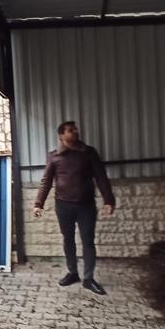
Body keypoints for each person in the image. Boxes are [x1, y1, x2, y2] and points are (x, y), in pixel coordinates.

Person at [33, 121, 116, 295]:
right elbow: (46, 180)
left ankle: (88, 278)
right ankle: (72, 273)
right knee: (68, 239)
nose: (76, 132)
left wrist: (109, 200)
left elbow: (101, 177)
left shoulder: (88, 153)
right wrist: (38, 203)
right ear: (61, 136)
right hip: (63, 205)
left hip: (86, 204)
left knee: (88, 241)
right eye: (71, 130)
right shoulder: (54, 156)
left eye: (76, 129)